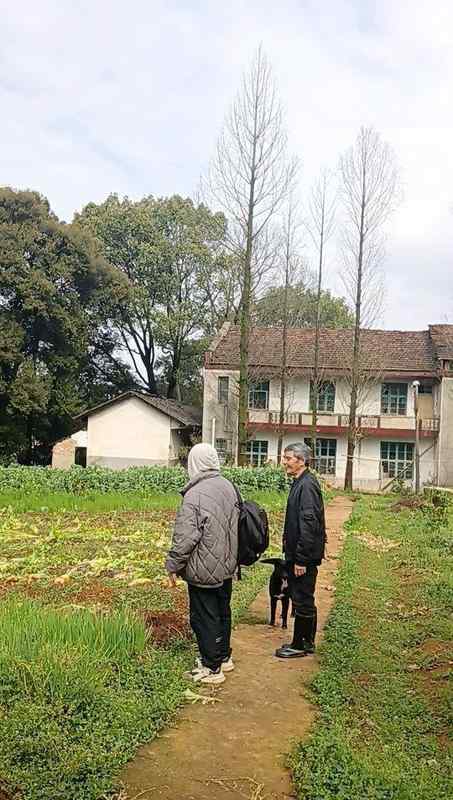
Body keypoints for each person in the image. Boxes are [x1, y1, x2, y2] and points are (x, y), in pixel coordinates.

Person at [165, 443, 239, 685]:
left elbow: (186, 537)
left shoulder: (194, 495)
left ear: (194, 463)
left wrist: (173, 564)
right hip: (227, 563)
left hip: (204, 566)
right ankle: (223, 656)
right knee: (222, 611)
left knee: (204, 617)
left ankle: (211, 667)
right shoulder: (228, 485)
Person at [275, 442, 326, 659]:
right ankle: (306, 641)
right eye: (284, 458)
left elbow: (309, 523)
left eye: (288, 458)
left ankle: (300, 644)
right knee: (304, 596)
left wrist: (301, 559)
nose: (284, 462)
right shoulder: (301, 482)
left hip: (304, 557)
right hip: (300, 554)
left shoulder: (307, 486)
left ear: (301, 461)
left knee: (302, 598)